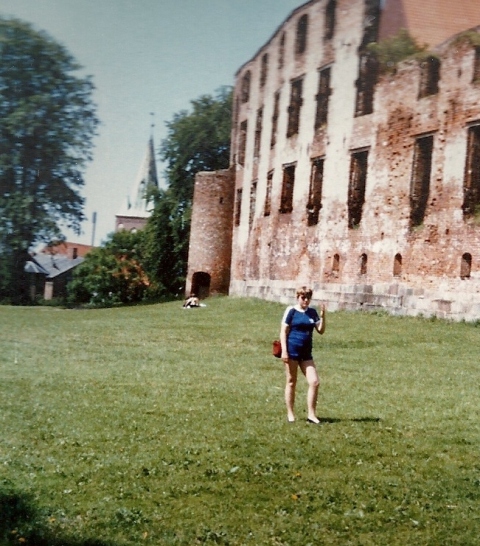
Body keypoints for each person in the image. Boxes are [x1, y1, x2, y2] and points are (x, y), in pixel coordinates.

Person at [280, 286, 326, 424]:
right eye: (303, 298)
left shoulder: (312, 312)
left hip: (306, 354)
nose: (306, 300)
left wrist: (323, 316)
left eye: (308, 298)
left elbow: (320, 330)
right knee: (291, 381)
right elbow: (283, 332)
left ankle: (311, 414)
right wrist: (284, 351)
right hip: (292, 351)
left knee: (314, 382)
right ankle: (290, 413)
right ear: (298, 298)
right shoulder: (291, 311)